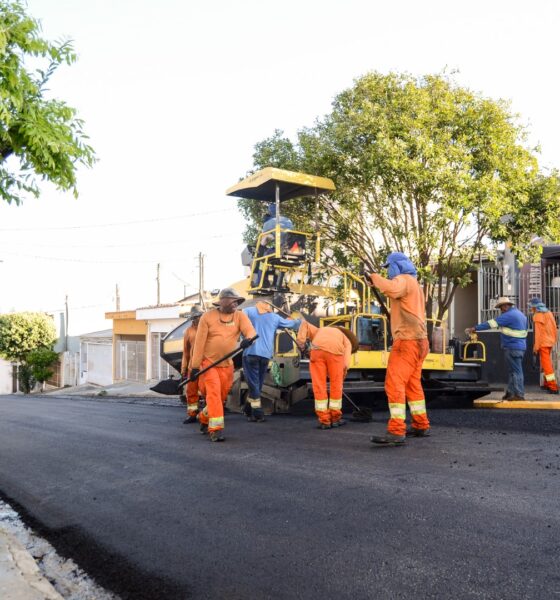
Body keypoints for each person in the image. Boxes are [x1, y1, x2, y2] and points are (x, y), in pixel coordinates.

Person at [367, 252, 430, 446]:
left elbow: (392, 288)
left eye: (390, 267)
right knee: (412, 384)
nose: (389, 271)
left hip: (407, 342)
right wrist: (376, 283)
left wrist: (374, 277)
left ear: (397, 265)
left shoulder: (404, 280)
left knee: (394, 383)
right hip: (420, 341)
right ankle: (420, 424)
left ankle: (396, 430)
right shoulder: (415, 284)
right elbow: (393, 291)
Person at [189, 288, 256, 442]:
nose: (236, 304)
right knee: (213, 395)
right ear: (223, 301)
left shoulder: (240, 316)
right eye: (233, 301)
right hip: (209, 363)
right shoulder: (208, 317)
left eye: (238, 302)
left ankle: (204, 417)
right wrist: (194, 367)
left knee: (221, 396)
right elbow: (199, 345)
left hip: (227, 364)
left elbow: (251, 331)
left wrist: (249, 339)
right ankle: (216, 430)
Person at [242, 301, 300, 422]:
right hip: (265, 355)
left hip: (250, 352)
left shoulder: (248, 311)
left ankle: (257, 413)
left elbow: (238, 320)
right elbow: (293, 325)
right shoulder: (274, 317)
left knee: (253, 384)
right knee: (257, 383)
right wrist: (297, 320)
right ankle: (248, 409)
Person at [296, 321, 358, 429]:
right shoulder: (345, 338)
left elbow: (305, 324)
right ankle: (335, 418)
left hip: (316, 351)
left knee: (319, 385)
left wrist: (301, 342)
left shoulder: (320, 330)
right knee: (336, 385)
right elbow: (346, 359)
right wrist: (344, 370)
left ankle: (324, 421)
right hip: (335, 354)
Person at [467, 296, 528, 401]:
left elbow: (491, 324)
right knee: (513, 371)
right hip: (520, 347)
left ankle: (519, 394)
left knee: (516, 371)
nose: (501, 310)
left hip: (512, 347)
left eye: (500, 308)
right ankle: (510, 393)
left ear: (505, 306)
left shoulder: (508, 315)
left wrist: (475, 328)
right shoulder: (521, 315)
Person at [252, 204, 294, 288]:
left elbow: (264, 242)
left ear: (270, 212)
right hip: (293, 251)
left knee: (263, 258)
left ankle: (261, 282)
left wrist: (261, 245)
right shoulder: (288, 221)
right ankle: (276, 282)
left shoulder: (268, 223)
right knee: (277, 260)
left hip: (281, 251)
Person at [180, 305, 205, 424]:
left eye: (199, 316)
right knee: (191, 391)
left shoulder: (208, 329)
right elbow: (185, 352)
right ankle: (192, 414)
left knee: (208, 391)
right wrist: (183, 370)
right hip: (192, 367)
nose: (197, 319)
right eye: (195, 317)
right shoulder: (189, 332)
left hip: (206, 365)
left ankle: (208, 414)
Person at [530, 298, 558, 394]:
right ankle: (547, 384)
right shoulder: (549, 313)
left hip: (543, 343)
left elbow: (538, 334)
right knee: (546, 364)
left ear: (535, 307)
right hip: (550, 342)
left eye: (531, 307)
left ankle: (553, 386)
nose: (531, 309)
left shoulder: (538, 316)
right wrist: (554, 340)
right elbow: (555, 327)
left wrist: (535, 347)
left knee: (546, 365)